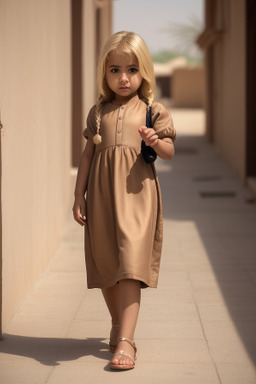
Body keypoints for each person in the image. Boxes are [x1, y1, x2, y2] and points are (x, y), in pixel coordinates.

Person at [72, 31, 176, 370]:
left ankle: (127, 342)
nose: (124, 77)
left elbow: (169, 152)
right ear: (105, 72)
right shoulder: (98, 112)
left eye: (131, 69)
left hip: (137, 196)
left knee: (131, 263)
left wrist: (155, 140)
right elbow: (88, 156)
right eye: (114, 70)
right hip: (101, 196)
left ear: (144, 71)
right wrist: (79, 195)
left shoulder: (152, 111)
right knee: (107, 264)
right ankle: (118, 324)